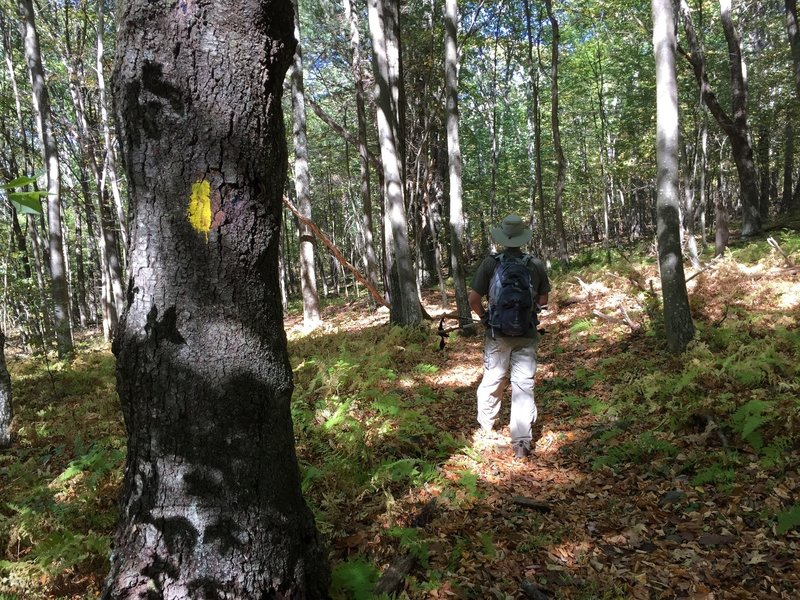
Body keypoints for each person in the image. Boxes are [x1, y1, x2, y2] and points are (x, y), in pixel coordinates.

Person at [468, 214, 550, 459]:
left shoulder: (490, 264)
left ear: (503, 237)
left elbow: (473, 299)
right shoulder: (535, 264)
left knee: (493, 380)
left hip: (497, 333)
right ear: (523, 238)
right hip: (526, 332)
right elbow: (543, 300)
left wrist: (485, 317)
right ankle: (521, 441)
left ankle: (486, 427)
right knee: (523, 385)